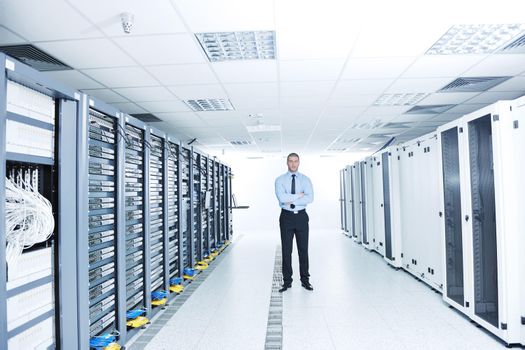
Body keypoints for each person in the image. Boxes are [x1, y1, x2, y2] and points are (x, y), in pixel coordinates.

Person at [274, 153, 314, 292]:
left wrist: (290, 198)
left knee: (303, 250)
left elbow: (310, 199)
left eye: (295, 161)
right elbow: (282, 198)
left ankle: (305, 280)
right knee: (287, 250)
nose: (293, 164)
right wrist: (299, 195)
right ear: (287, 162)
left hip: (302, 217)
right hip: (286, 218)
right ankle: (287, 281)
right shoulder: (279, 180)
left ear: (299, 162)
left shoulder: (305, 180)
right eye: (290, 161)